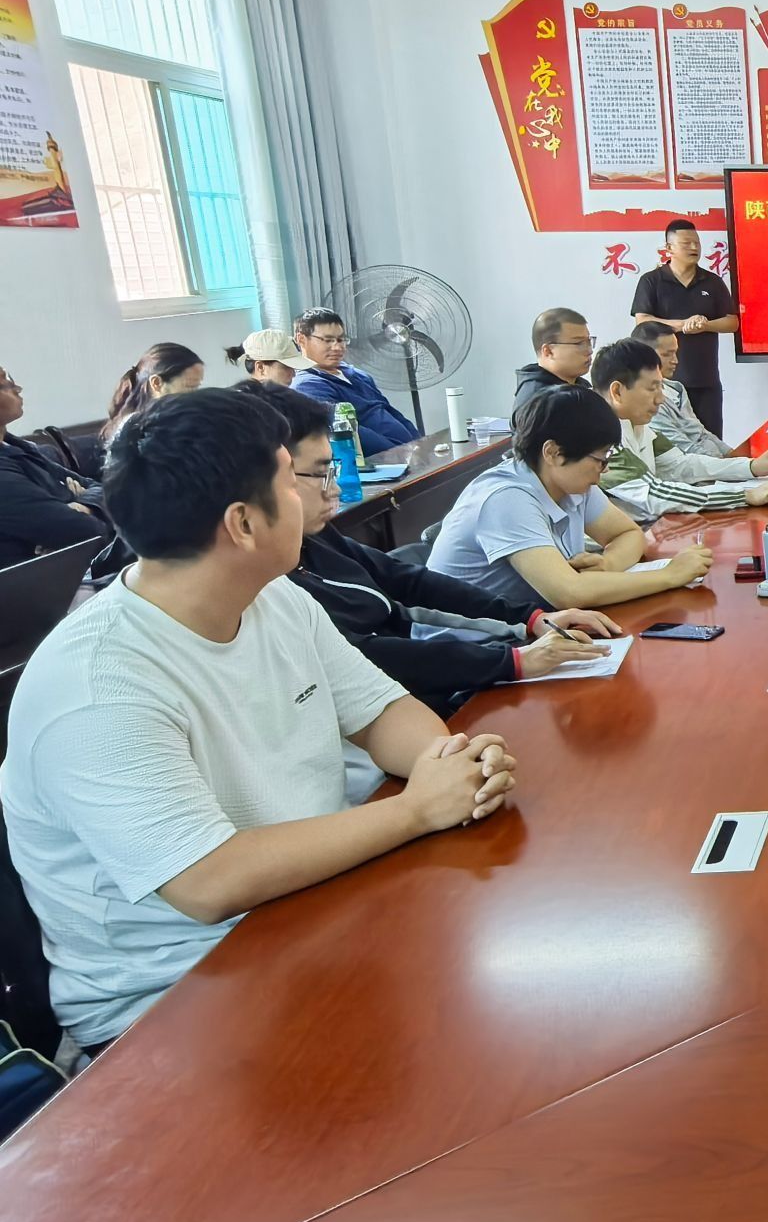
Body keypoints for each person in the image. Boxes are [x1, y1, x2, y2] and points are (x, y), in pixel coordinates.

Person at [0, 389, 517, 1048]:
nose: (314, 495)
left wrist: (448, 768)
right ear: (243, 524)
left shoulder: (274, 599)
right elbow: (209, 882)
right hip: (177, 999)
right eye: (291, 480)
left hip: (316, 904)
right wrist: (418, 809)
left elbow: (380, 710)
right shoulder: (95, 684)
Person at [241, 381, 621, 713]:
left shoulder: (316, 537)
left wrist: (531, 618)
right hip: (400, 697)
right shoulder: (267, 584)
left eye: (333, 471)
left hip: (417, 691)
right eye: (321, 474)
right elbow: (367, 655)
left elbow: (407, 580)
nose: (336, 490)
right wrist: (513, 660)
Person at [425, 384, 712, 622]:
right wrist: (670, 575)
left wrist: (608, 564)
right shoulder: (506, 499)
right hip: (471, 650)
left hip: (533, 630)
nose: (603, 472)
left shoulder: (570, 481)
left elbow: (628, 534)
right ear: (553, 452)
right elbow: (569, 593)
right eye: (600, 460)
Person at [590, 339, 768, 516]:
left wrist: (750, 467)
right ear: (617, 391)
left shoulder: (637, 425)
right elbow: (654, 495)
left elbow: (682, 465)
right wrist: (744, 495)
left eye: (661, 387)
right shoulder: (598, 436)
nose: (660, 399)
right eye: (652, 388)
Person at [629, 219, 737, 438]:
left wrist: (705, 325)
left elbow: (732, 322)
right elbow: (643, 321)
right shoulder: (652, 281)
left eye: (697, 242)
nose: (694, 247)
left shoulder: (712, 282)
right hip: (663, 383)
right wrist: (684, 324)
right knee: (671, 444)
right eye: (686, 243)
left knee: (710, 440)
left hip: (705, 380)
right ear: (669, 248)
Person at [0, 363, 114, 567]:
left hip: (75, 567)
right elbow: (84, 532)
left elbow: (101, 488)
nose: (17, 388)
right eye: (4, 384)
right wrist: (73, 503)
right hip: (36, 582)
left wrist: (84, 505)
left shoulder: (16, 446)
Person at [289, 307, 424, 456]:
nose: (337, 347)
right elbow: (349, 432)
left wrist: (420, 444)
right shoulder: (307, 386)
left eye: (341, 340)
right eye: (328, 340)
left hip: (410, 454)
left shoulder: (358, 375)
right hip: (382, 462)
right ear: (301, 339)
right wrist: (398, 454)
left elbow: (391, 412)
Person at [630, 320, 734, 458]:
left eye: (675, 353)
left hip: (711, 461)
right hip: (695, 465)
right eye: (667, 354)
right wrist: (728, 465)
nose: (675, 360)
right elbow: (682, 448)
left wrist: (735, 455)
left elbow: (700, 432)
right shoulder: (648, 400)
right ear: (643, 354)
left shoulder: (677, 389)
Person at [103, 342, 204, 445]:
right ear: (156, 383)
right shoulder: (138, 433)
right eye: (189, 386)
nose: (196, 395)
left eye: (197, 387)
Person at [512, 307, 595, 413]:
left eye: (588, 341)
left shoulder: (581, 386)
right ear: (548, 351)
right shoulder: (540, 403)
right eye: (579, 343)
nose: (589, 350)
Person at [225, 328, 310, 387]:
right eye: (286, 367)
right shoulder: (244, 405)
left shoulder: (281, 401)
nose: (294, 374)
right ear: (260, 368)